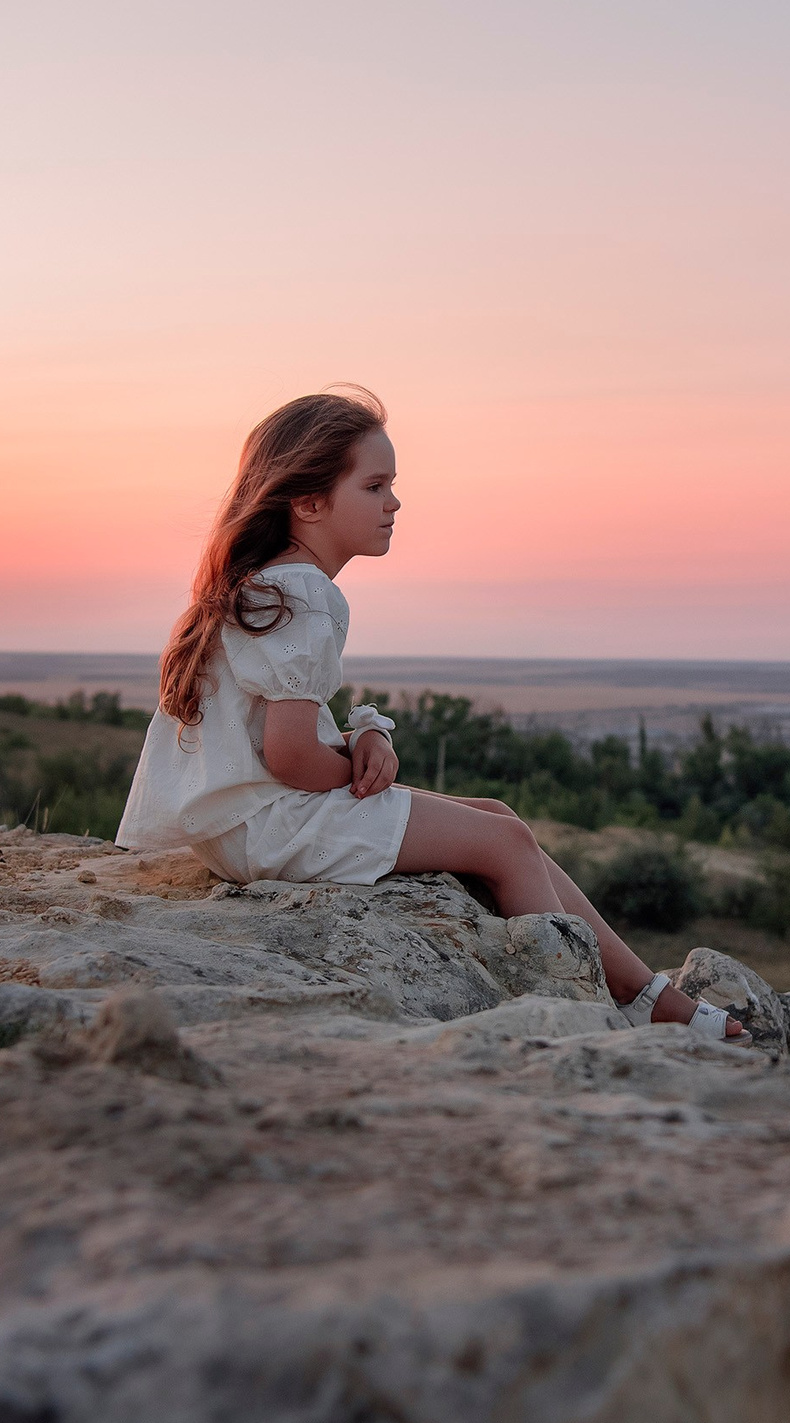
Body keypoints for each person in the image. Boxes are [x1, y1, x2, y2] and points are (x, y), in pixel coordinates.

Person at [117, 386, 744, 1041]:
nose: (394, 502)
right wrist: (366, 777)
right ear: (307, 501)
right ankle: (584, 1009)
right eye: (374, 484)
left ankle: (646, 993)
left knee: (500, 818)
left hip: (239, 826)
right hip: (273, 826)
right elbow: (292, 756)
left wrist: (361, 739)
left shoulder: (265, 581)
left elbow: (278, 737)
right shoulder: (306, 592)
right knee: (503, 843)